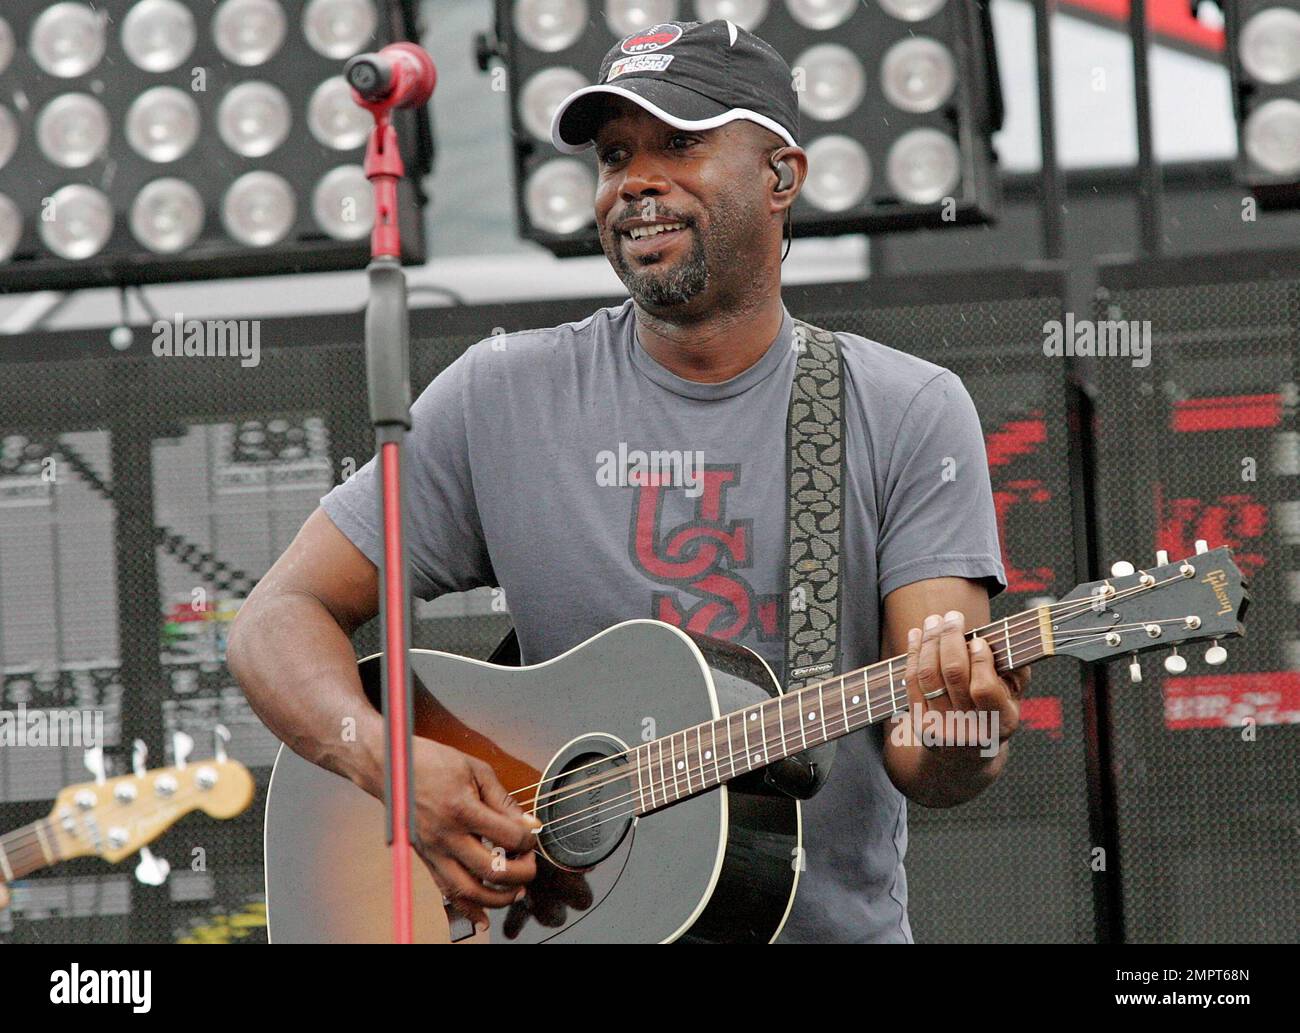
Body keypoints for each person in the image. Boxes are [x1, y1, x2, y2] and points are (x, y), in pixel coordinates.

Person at [229, 19, 1028, 943]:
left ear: (782, 178)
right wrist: (389, 767)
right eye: (615, 155)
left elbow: (930, 754)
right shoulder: (501, 396)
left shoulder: (907, 410)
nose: (635, 182)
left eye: (680, 144)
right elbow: (274, 620)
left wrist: (970, 732)